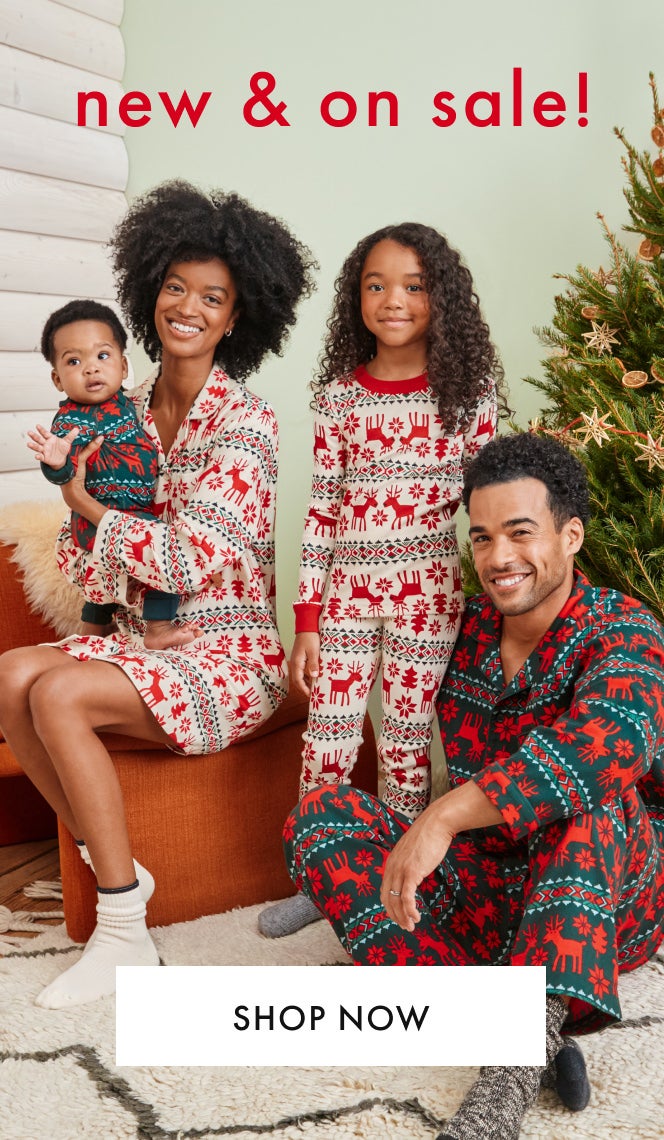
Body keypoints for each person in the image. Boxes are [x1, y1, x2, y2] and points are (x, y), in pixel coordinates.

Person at [282, 432, 664, 1139]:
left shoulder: (623, 626)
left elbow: (612, 744)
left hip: (603, 894)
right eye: (482, 537)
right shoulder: (460, 628)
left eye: (520, 534)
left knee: (589, 796)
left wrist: (442, 816)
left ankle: (509, 1073)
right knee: (321, 818)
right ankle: (524, 1018)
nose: (496, 558)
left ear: (570, 534)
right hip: (488, 885)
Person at [0, 179, 316, 1009]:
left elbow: (186, 560)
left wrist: (86, 505)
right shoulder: (115, 407)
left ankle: (120, 931)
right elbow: (86, 563)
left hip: (231, 656)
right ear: (149, 295)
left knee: (61, 691)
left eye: (212, 297)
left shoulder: (248, 424)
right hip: (141, 642)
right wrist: (92, 531)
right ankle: (125, 875)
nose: (188, 307)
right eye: (175, 287)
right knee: (8, 679)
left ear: (236, 317)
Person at [260, 222, 506, 938]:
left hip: (427, 600)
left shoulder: (468, 393)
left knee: (403, 744)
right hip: (344, 599)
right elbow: (322, 512)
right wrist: (306, 621)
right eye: (376, 285)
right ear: (355, 299)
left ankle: (395, 877)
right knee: (327, 741)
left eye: (413, 286)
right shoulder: (341, 397)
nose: (392, 300)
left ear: (441, 298)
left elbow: (486, 504)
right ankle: (321, 873)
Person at [32, 298, 195, 650]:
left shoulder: (128, 403)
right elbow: (66, 475)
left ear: (123, 366)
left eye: (102, 356)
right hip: (103, 514)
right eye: (74, 361)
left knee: (105, 575)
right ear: (58, 379)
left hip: (130, 512)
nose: (91, 369)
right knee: (159, 562)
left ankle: (92, 630)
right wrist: (57, 462)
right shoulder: (71, 420)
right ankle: (158, 627)